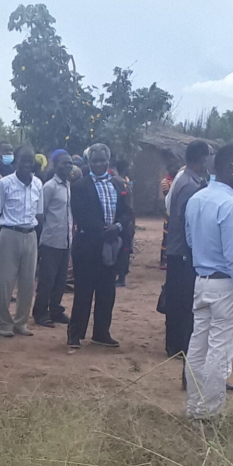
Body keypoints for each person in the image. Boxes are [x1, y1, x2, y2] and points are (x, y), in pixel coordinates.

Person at [183, 144, 233, 419]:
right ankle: (209, 414)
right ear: (231, 168)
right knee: (220, 352)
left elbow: (191, 241)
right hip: (226, 288)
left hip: (202, 282)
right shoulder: (230, 205)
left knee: (198, 348)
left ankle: (194, 407)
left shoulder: (197, 199)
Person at [68, 142, 133, 350]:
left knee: (107, 292)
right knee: (84, 292)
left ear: (108, 161)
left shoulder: (119, 184)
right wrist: (104, 230)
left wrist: (118, 226)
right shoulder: (79, 186)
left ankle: (101, 333)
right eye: (95, 160)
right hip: (88, 246)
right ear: (89, 162)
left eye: (103, 160)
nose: (99, 164)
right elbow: (81, 214)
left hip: (111, 246)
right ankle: (75, 335)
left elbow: (127, 212)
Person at [162, 141, 210, 364]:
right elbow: (187, 221)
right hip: (183, 250)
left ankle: (174, 344)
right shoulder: (191, 185)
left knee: (177, 298)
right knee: (182, 301)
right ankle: (179, 346)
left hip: (176, 247)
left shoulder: (184, 178)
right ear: (202, 158)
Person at [0, 145, 44, 338]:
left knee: (27, 283)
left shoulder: (38, 184)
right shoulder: (5, 183)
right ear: (16, 161)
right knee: (5, 283)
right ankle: (4, 324)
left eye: (30, 161)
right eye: (23, 160)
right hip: (9, 234)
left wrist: (35, 238)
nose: (26, 164)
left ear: (34, 163)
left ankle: (21, 323)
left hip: (30, 235)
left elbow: (39, 213)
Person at [32, 149, 73, 327]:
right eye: (64, 163)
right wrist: (44, 236)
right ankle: (40, 312)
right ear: (55, 166)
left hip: (66, 240)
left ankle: (55, 310)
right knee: (47, 280)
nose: (68, 166)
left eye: (70, 163)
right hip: (51, 240)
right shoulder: (49, 187)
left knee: (60, 280)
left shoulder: (69, 185)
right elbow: (40, 214)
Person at [113, 157, 133, 287]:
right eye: (129, 166)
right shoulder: (118, 181)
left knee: (123, 249)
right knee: (123, 250)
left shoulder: (122, 181)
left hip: (125, 220)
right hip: (124, 219)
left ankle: (121, 277)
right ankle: (121, 276)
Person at [159, 157, 180, 270]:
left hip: (176, 213)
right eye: (173, 168)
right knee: (166, 237)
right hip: (169, 212)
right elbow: (168, 195)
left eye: (177, 168)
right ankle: (162, 260)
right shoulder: (165, 181)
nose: (175, 170)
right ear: (168, 169)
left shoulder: (178, 180)